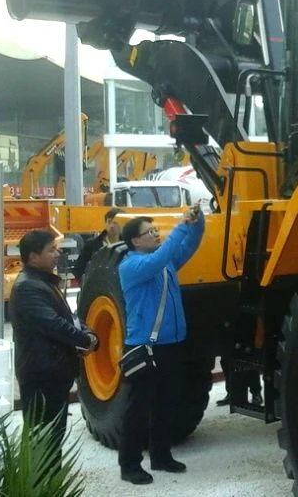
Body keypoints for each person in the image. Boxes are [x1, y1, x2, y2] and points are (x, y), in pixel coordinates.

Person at [117, 207, 206, 485]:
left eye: (156, 230)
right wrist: (180, 226)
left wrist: (197, 223)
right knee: (138, 410)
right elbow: (162, 256)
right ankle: (130, 464)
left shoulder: (162, 264)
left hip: (169, 345)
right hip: (145, 347)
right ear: (135, 241)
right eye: (150, 232)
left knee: (166, 403)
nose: (155, 234)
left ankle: (161, 455)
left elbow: (188, 246)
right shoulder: (132, 266)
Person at [9, 229, 98, 460]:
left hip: (53, 371)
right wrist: (85, 340)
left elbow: (68, 318)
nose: (57, 254)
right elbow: (53, 324)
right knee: (43, 436)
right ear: (33, 257)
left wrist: (85, 332)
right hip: (42, 374)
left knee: (54, 434)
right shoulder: (28, 287)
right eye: (51, 250)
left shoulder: (44, 282)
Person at [72, 207, 123, 283]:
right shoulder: (92, 244)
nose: (111, 225)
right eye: (109, 222)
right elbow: (78, 269)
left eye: (115, 222)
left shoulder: (128, 245)